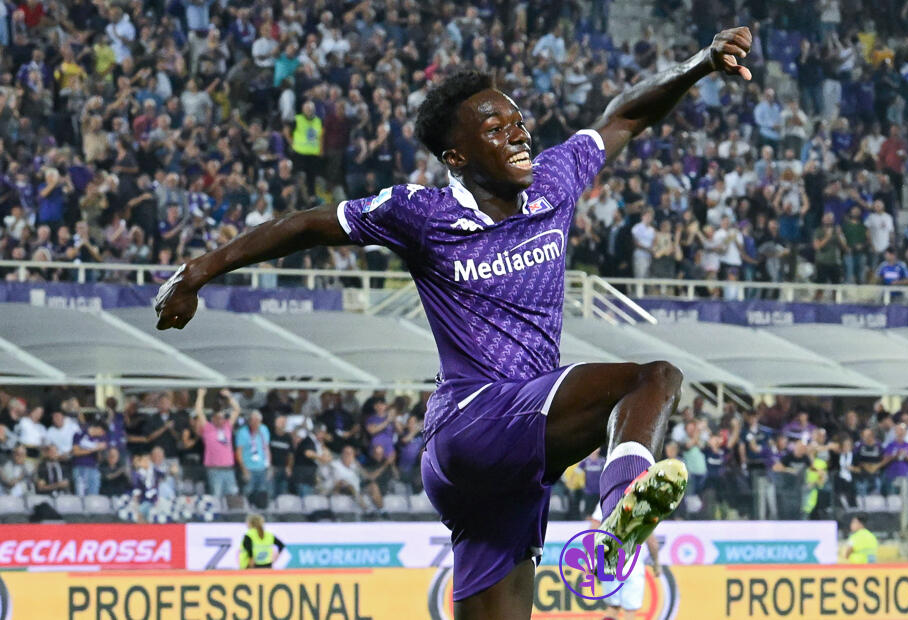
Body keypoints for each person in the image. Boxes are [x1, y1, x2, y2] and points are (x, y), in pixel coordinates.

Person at [155, 27, 757, 617]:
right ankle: (621, 510)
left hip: (509, 463)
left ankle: (619, 513)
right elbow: (310, 224)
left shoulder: (553, 181)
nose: (519, 134)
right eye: (496, 130)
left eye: (518, 120)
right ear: (456, 156)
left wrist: (701, 63)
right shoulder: (420, 213)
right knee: (652, 378)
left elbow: (623, 116)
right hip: (472, 425)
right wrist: (199, 271)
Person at [589, 502, 661, 620]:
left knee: (612, 608)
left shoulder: (607, 498)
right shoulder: (644, 502)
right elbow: (651, 541)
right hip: (632, 564)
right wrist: (656, 563)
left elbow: (593, 531)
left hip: (609, 560)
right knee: (630, 611)